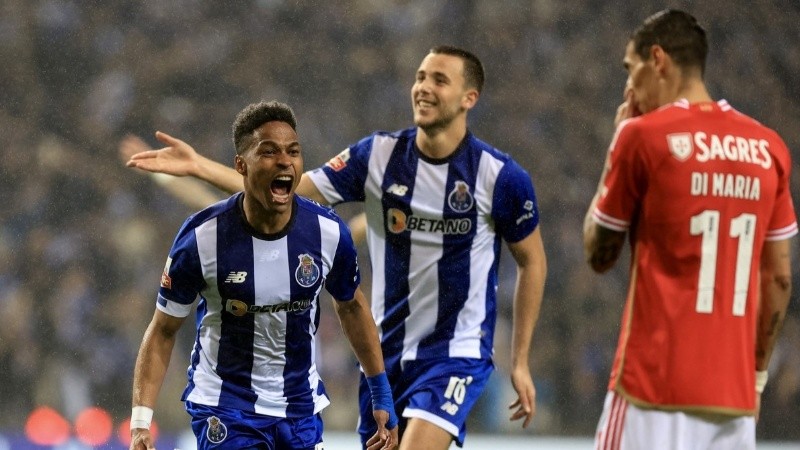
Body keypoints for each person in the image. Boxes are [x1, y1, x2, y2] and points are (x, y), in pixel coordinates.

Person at [126, 45, 547, 450]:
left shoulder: (499, 177)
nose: (424, 87)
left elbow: (532, 262)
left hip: (455, 351)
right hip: (387, 347)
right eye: (420, 77)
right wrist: (199, 166)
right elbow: (289, 191)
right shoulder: (378, 156)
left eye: (440, 79)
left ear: (469, 97)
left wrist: (520, 360)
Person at [129, 100, 398, 450]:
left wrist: (381, 392)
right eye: (269, 152)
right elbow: (163, 330)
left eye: (293, 151)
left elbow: (352, 307)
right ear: (242, 165)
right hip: (225, 408)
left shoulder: (327, 233)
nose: (285, 160)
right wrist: (139, 422)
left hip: (299, 408)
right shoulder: (202, 238)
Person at [583, 10, 796, 450]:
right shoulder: (768, 147)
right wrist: (755, 380)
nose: (629, 86)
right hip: (733, 403)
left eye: (631, 68)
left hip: (651, 390)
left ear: (657, 59)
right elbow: (778, 278)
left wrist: (615, 142)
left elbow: (599, 254)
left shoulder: (642, 137)